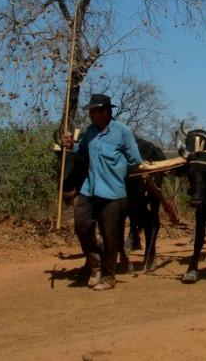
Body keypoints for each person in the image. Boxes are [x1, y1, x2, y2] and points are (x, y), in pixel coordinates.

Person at [62, 94, 142, 291]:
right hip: (90, 188)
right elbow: (82, 151)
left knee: (110, 236)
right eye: (90, 111)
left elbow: (135, 160)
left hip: (113, 192)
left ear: (105, 111)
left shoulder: (123, 131)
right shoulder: (90, 132)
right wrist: (71, 144)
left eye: (93, 111)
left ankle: (108, 276)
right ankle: (95, 263)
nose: (90, 114)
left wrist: (119, 173)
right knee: (81, 225)